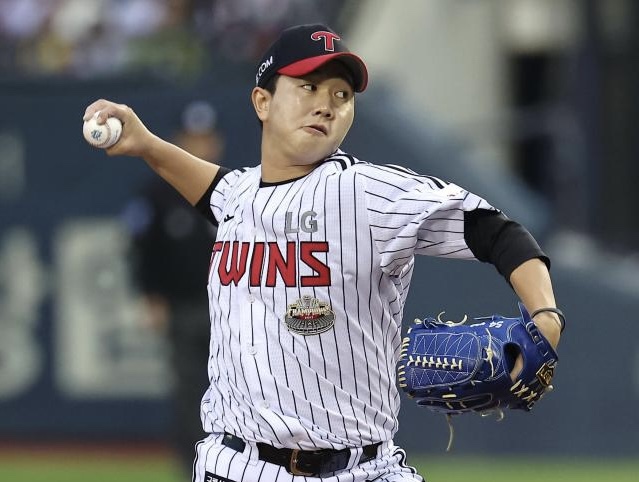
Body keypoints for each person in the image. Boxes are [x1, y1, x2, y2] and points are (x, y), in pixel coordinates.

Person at [83, 23, 562, 482]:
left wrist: (545, 316)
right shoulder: (238, 195)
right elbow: (212, 187)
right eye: (308, 87)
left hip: (364, 469)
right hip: (236, 467)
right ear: (263, 102)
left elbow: (496, 231)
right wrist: (147, 145)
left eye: (341, 95)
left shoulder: (365, 192)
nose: (326, 106)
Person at [121, 100, 224, 475]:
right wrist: (152, 298)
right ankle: (193, 468)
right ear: (178, 140)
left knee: (236, 389)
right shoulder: (158, 193)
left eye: (206, 137)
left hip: (229, 313)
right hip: (181, 307)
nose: (201, 145)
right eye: (193, 137)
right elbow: (140, 249)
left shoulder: (235, 191)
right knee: (188, 393)